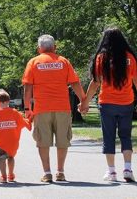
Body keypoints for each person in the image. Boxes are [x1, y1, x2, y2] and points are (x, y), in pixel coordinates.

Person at [22, 34, 85, 182]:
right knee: (63, 140)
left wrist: (27, 108)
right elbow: (75, 83)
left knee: (43, 141)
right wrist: (84, 100)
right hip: (62, 107)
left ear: (39, 49)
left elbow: (27, 87)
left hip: (41, 108)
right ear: (54, 48)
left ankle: (47, 173)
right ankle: (60, 172)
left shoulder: (34, 62)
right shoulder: (63, 62)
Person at [79, 27, 136, 182]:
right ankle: (128, 169)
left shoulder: (102, 57)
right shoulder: (130, 57)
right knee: (126, 136)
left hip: (107, 103)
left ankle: (111, 172)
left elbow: (95, 83)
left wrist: (84, 103)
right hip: (127, 102)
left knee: (108, 137)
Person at [0, 89, 31, 183]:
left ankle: (3, 177)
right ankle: (11, 175)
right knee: (11, 158)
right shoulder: (15, 112)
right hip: (12, 141)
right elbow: (24, 122)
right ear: (8, 101)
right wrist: (29, 120)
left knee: (1, 159)